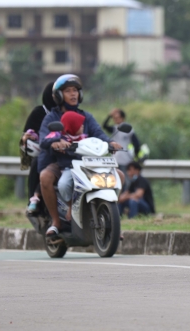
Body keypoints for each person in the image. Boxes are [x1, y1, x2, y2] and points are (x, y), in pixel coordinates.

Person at [38, 74, 123, 239]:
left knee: (119, 176)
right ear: (59, 95)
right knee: (45, 177)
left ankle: (110, 216)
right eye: (68, 90)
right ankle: (56, 221)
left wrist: (110, 143)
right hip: (63, 163)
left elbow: (98, 133)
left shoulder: (86, 117)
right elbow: (44, 138)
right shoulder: (52, 117)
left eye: (76, 90)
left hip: (88, 162)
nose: (73, 94)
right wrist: (55, 142)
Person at [40, 111, 88, 222]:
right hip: (69, 167)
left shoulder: (84, 138)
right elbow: (44, 142)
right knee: (63, 184)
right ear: (72, 125)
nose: (83, 126)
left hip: (85, 167)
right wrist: (56, 141)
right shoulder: (59, 135)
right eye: (79, 124)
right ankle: (71, 205)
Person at [19, 81, 56, 213]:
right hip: (46, 150)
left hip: (66, 151)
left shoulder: (69, 112)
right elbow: (28, 132)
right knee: (38, 162)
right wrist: (29, 137)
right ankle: (34, 199)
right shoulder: (40, 112)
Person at [103, 108, 141, 175]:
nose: (116, 120)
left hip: (126, 160)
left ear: (123, 118)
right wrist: (109, 116)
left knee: (125, 180)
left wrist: (136, 158)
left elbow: (136, 144)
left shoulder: (128, 129)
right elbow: (104, 126)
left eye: (118, 118)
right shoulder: (115, 128)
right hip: (115, 159)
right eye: (114, 118)